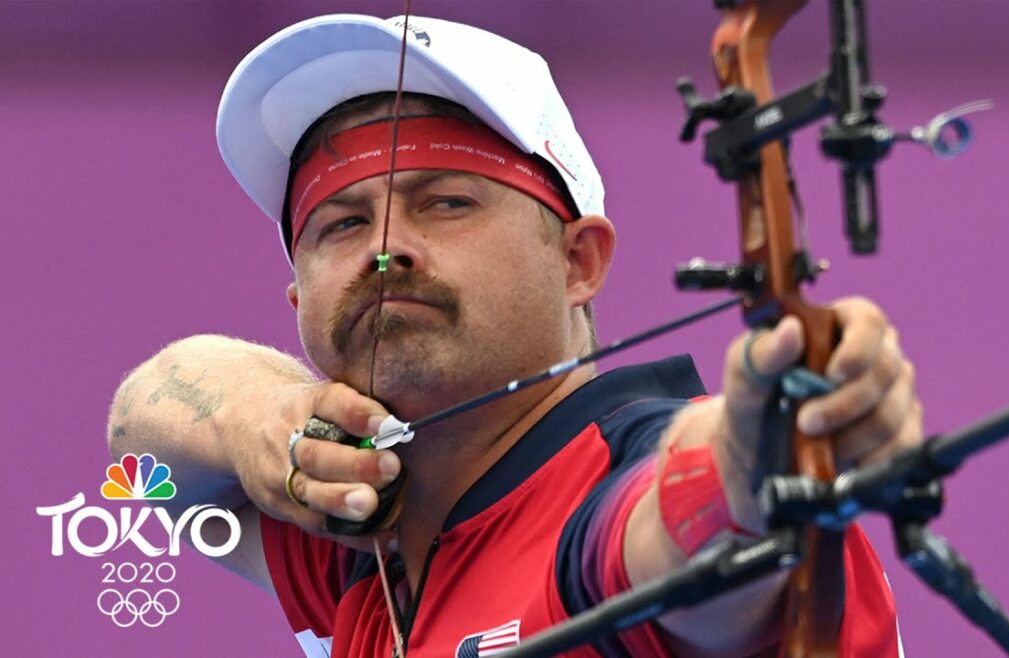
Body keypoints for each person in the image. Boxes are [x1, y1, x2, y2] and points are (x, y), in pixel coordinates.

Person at [108, 14, 920, 658]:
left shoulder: (611, 497)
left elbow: (678, 541)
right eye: (341, 223)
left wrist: (756, 453)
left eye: (446, 202)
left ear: (578, 261)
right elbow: (140, 448)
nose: (385, 251)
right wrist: (260, 419)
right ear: (296, 296)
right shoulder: (361, 527)